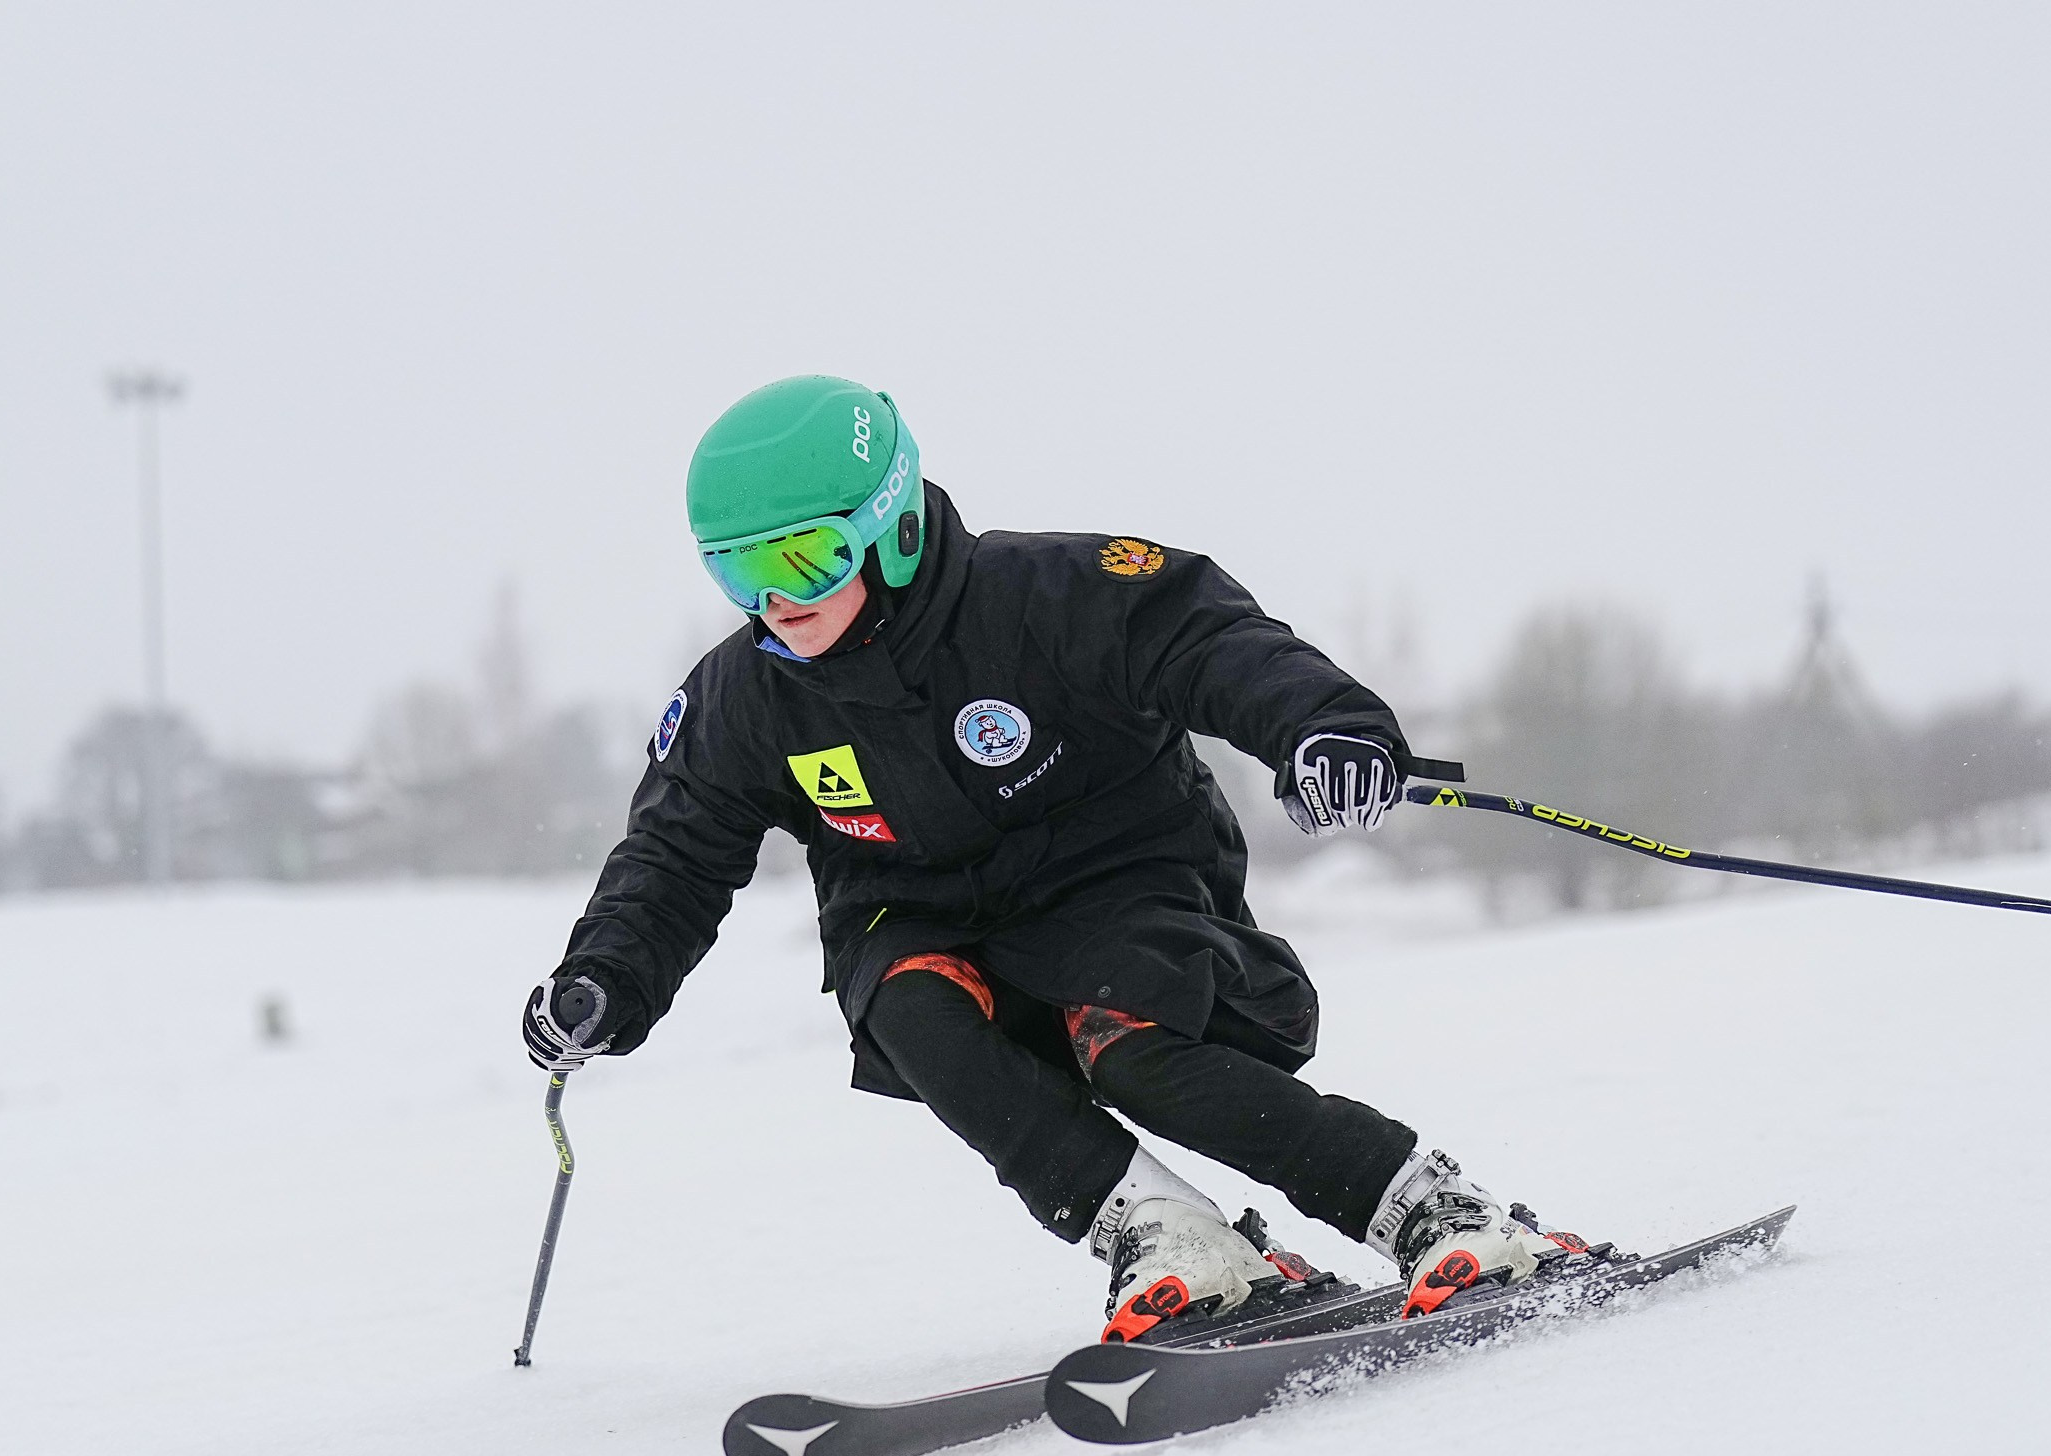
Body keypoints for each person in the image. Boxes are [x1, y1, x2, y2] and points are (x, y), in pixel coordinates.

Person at [523, 375, 1579, 1341]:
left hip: (1116, 878)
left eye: (806, 557)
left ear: (887, 530)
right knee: (902, 998)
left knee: (1130, 1045)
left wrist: (1324, 725)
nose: (776, 600)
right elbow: (673, 849)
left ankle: (1427, 1204)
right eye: (738, 569)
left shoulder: (1046, 595)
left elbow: (1206, 641)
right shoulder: (743, 699)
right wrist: (605, 979)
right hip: (917, 912)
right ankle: (1166, 1235)